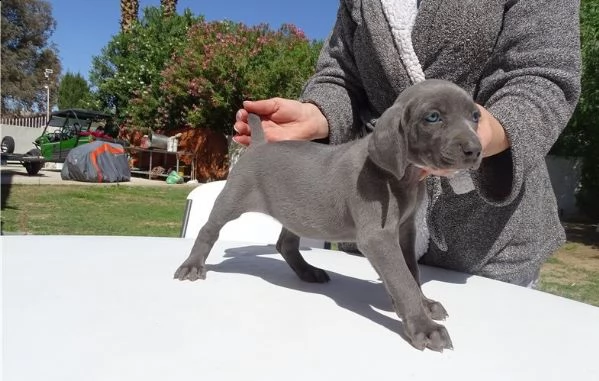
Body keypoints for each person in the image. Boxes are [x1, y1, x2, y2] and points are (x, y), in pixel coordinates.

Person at [232, 0, 581, 287]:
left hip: (488, 238)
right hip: (371, 220)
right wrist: (320, 114)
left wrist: (477, 135)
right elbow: (340, 74)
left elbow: (544, 76)